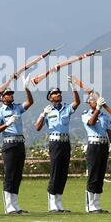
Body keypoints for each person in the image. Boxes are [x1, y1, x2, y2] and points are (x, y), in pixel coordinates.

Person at [34, 76, 80, 213]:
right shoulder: (47, 110)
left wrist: (73, 86)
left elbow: (77, 102)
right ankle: (52, 203)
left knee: (63, 172)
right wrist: (43, 114)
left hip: (65, 142)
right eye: (54, 93)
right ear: (50, 97)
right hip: (55, 142)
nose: (58, 94)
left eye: (59, 92)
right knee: (55, 171)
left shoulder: (66, 108)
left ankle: (59, 203)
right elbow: (37, 127)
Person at [0, 75, 33, 214]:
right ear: (2, 98)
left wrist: (26, 88)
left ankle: (15, 205)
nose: (10, 96)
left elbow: (30, 102)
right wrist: (7, 124)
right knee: (10, 174)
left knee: (17, 175)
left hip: (19, 143)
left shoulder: (17, 108)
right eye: (8, 94)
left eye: (11, 94)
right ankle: (8, 206)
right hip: (9, 143)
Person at [81, 93, 111, 214]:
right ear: (88, 103)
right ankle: (90, 205)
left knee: (100, 175)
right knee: (93, 174)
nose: (95, 102)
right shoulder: (86, 114)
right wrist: (97, 109)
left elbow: (109, 130)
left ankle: (97, 204)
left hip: (103, 145)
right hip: (94, 145)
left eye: (96, 101)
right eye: (92, 101)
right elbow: (91, 122)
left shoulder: (105, 116)